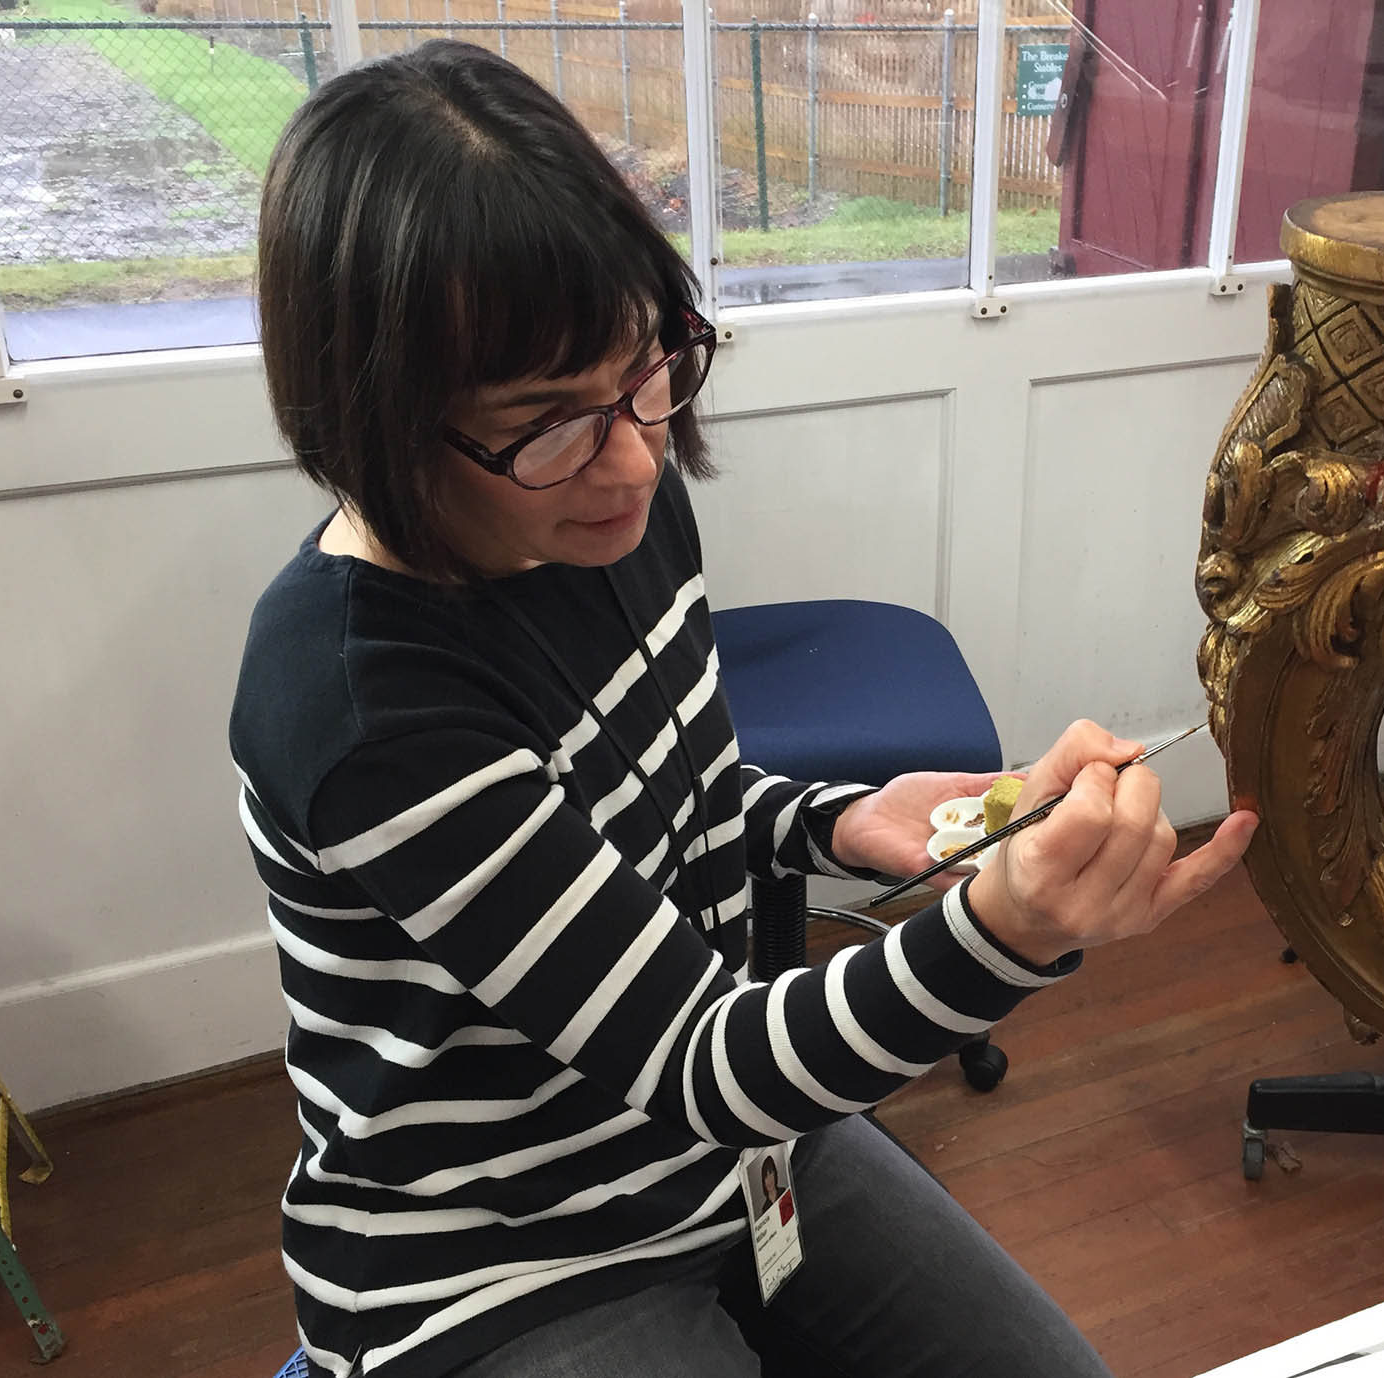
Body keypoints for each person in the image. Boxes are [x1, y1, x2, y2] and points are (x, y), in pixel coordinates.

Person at [230, 38, 1257, 1378]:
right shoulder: (363, 703)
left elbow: (659, 797)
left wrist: (836, 823)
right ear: (375, 415)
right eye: (547, 419)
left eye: (648, 371)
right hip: (497, 1260)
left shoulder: (604, 504)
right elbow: (707, 1062)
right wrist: (1006, 931)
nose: (633, 459)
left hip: (727, 1155)